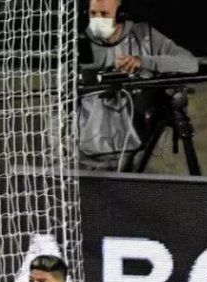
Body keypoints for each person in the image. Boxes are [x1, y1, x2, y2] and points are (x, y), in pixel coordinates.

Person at [79, 0, 199, 171]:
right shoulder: (77, 42)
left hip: (135, 151)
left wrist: (143, 61)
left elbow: (190, 63)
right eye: (93, 13)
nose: (98, 19)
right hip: (85, 153)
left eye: (105, 14)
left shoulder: (144, 36)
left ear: (121, 14)